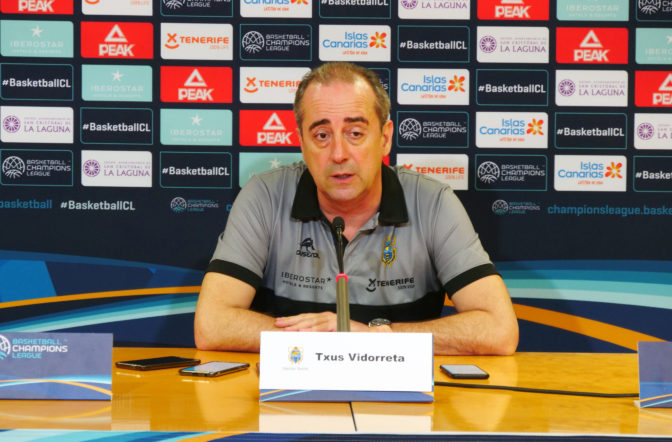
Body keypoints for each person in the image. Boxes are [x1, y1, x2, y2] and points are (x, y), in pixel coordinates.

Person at [194, 62, 518, 355]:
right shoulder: (264, 196)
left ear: (385, 138)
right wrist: (327, 343)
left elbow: (499, 330)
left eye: (355, 133)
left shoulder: (432, 202)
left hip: (399, 395)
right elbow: (212, 325)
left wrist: (374, 338)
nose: (339, 153)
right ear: (301, 143)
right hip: (289, 392)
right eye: (322, 135)